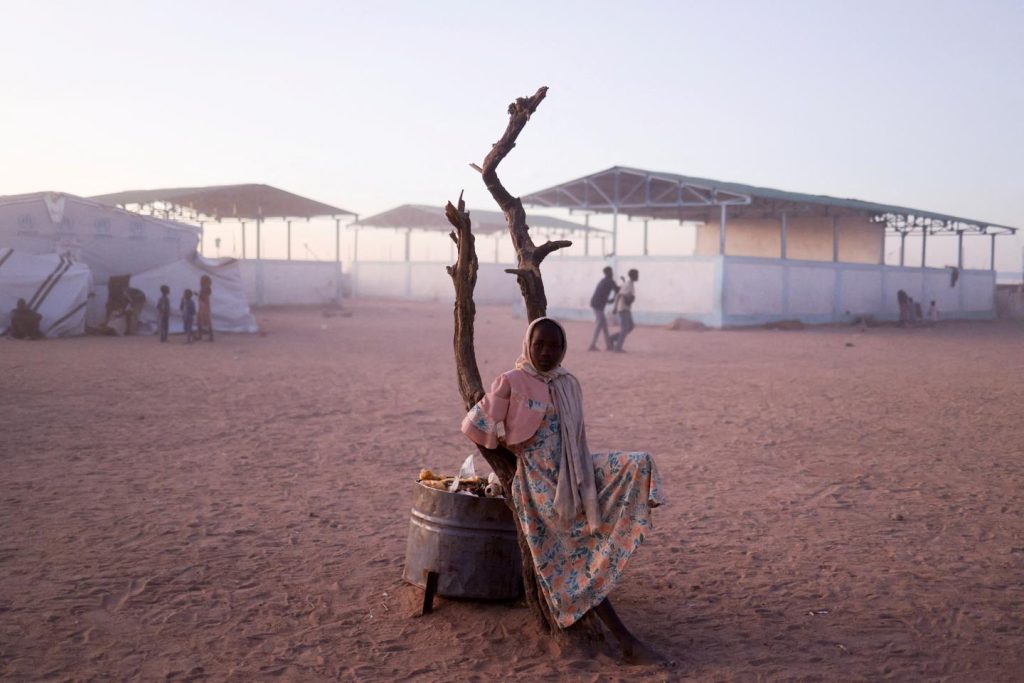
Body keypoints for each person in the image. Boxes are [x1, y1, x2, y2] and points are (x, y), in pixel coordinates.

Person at [462, 317, 664, 663]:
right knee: (577, 555)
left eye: (554, 346)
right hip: (539, 483)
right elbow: (473, 425)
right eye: (539, 344)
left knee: (638, 463)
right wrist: (507, 451)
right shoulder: (511, 381)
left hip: (575, 470)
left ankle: (622, 632)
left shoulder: (568, 382)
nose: (546, 352)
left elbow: (578, 437)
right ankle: (625, 640)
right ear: (529, 344)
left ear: (563, 349)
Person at [587, 266, 619, 351]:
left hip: (595, 303)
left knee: (604, 325)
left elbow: (603, 293)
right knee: (599, 324)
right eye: (611, 272)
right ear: (609, 273)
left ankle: (608, 345)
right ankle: (592, 345)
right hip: (598, 305)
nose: (612, 273)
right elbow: (617, 290)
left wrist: (611, 300)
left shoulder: (603, 280)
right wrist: (623, 285)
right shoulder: (610, 281)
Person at [608, 269, 638, 352]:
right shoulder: (627, 285)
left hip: (627, 308)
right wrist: (615, 307)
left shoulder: (631, 284)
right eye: (636, 274)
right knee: (625, 328)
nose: (638, 276)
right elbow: (618, 295)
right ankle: (618, 347)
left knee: (630, 326)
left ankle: (611, 338)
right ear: (633, 275)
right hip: (622, 308)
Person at [197, 275, 214, 342]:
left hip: (203, 307)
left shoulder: (204, 290)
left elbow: (203, 298)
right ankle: (209, 336)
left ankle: (201, 335)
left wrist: (198, 295)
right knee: (204, 321)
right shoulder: (207, 289)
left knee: (202, 321)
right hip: (204, 306)